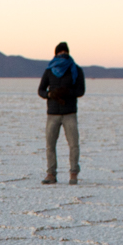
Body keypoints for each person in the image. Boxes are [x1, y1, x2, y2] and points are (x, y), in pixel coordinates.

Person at [38, 42, 86, 184]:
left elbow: (80, 91)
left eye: (65, 52)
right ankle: (51, 174)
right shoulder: (49, 71)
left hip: (69, 112)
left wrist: (67, 92)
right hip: (53, 113)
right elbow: (40, 90)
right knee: (50, 144)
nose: (62, 55)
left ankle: (73, 173)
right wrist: (50, 94)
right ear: (56, 54)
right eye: (60, 53)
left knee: (73, 144)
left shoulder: (75, 70)